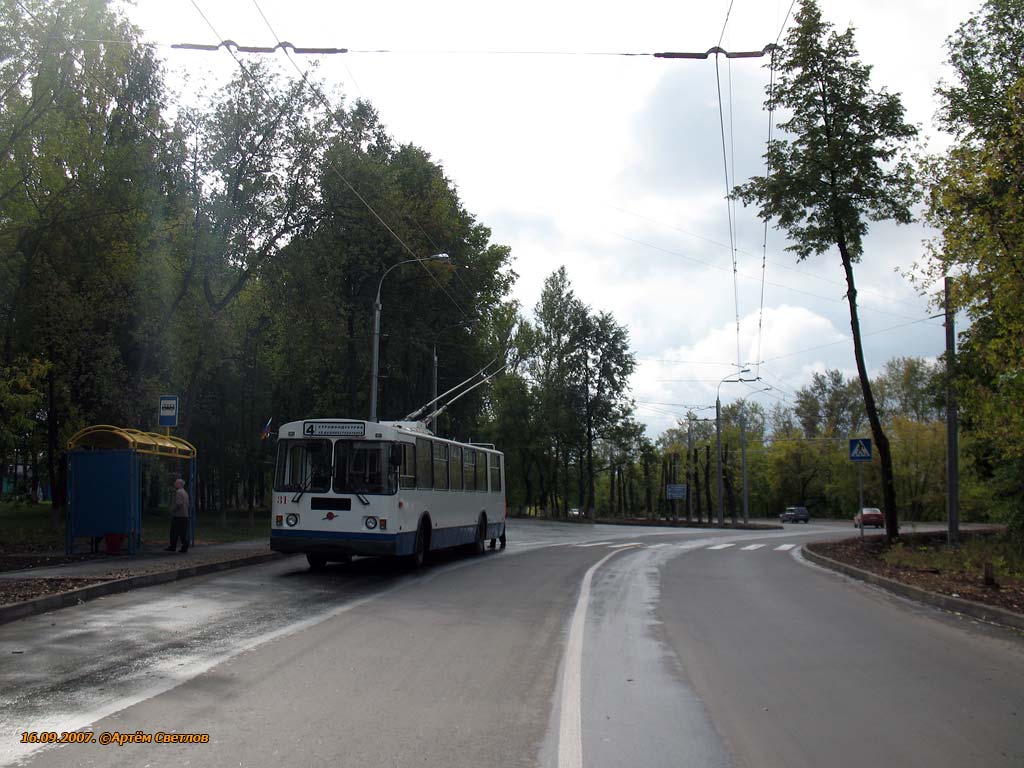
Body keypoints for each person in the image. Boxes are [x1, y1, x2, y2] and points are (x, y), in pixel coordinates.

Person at [165, 478, 190, 553]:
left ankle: (173, 546)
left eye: (176, 483)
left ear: (180, 484)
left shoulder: (178, 492)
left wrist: (172, 510)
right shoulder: (185, 493)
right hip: (185, 515)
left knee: (173, 532)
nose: (175, 484)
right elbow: (187, 504)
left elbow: (179, 504)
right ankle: (184, 547)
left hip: (178, 516)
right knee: (182, 532)